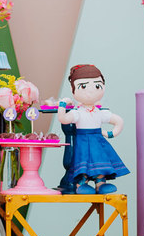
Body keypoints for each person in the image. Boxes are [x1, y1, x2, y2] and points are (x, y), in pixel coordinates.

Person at [55, 64, 128, 194]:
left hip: (98, 142)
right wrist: (62, 104)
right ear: (74, 90)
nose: (90, 91)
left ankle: (100, 183)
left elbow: (118, 121)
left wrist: (110, 133)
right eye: (83, 86)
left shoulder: (100, 112)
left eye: (97, 86)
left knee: (100, 160)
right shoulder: (78, 113)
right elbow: (64, 119)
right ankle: (81, 184)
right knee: (83, 163)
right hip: (82, 142)